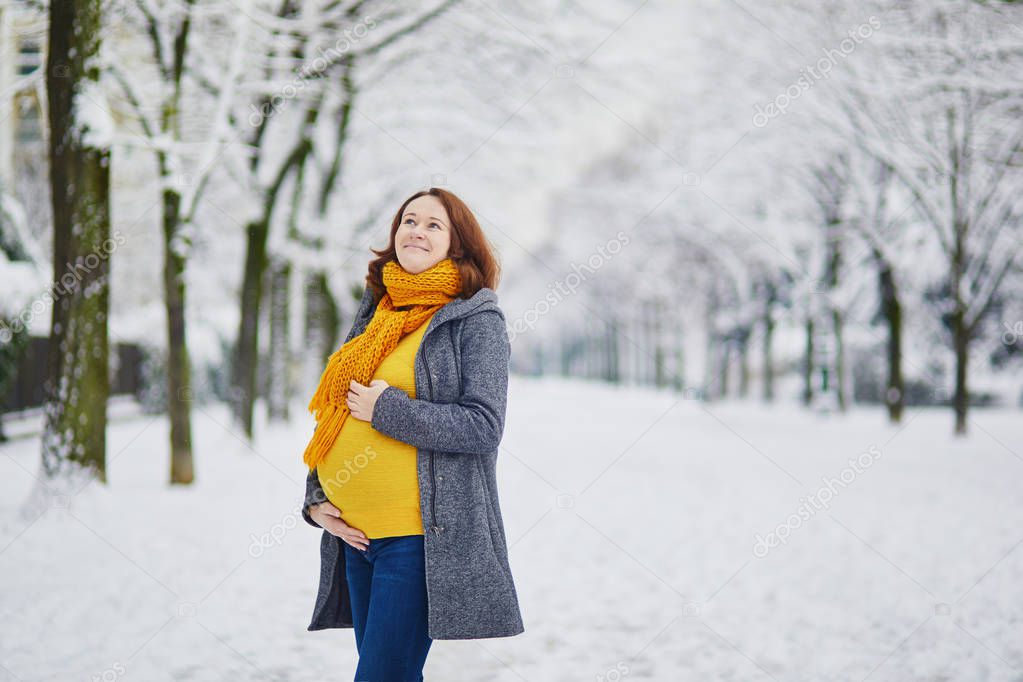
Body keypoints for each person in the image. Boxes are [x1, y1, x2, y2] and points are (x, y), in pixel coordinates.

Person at [301, 187, 525, 681]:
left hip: (419, 538)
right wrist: (316, 497)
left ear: (457, 244)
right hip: (356, 538)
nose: (416, 231)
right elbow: (334, 414)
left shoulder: (474, 320)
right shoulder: (377, 313)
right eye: (409, 220)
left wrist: (389, 410)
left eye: (433, 225)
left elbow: (484, 426)